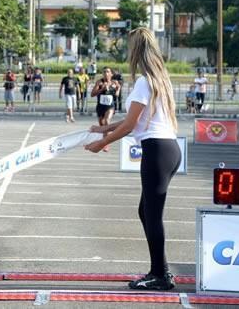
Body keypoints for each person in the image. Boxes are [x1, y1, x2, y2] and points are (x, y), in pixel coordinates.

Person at [85, 27, 180, 291]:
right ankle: (161, 271)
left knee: (152, 213)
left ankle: (160, 274)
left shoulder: (143, 81)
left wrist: (102, 143)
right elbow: (133, 121)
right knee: (146, 211)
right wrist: (104, 128)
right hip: (168, 148)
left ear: (136, 50)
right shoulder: (160, 79)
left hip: (158, 150)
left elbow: (129, 126)